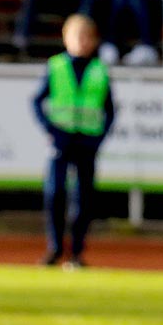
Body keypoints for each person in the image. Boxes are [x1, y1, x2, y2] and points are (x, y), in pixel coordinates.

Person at [30, 14, 116, 269]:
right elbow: (37, 100)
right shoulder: (55, 66)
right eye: (76, 36)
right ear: (66, 39)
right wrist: (49, 129)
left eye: (86, 37)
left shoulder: (100, 70)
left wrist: (100, 136)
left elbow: (110, 109)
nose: (81, 42)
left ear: (94, 41)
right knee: (55, 193)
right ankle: (55, 248)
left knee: (84, 198)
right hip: (61, 139)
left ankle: (77, 252)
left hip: (86, 141)